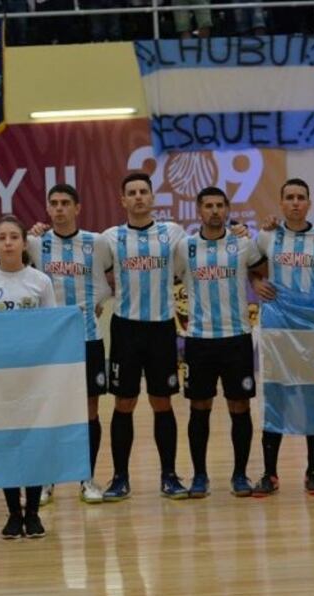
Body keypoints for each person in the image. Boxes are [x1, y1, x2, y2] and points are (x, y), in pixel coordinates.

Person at [174, 187, 267, 498]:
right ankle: (200, 476)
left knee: (239, 407)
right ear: (198, 211)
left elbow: (262, 271)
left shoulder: (242, 243)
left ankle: (240, 475)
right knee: (199, 408)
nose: (214, 211)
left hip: (237, 337)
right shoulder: (184, 248)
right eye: (208, 206)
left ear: (227, 209)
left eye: (219, 206)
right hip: (199, 340)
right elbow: (166, 278)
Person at [101, 173, 188, 501]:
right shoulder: (110, 238)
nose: (138, 197)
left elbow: (189, 264)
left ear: (153, 198)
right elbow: (92, 270)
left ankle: (169, 475)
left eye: (143, 192)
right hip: (125, 328)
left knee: (162, 402)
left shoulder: (172, 233)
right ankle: (119, 478)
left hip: (161, 327)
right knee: (124, 403)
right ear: (122, 200)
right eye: (131, 193)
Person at [0, 216, 56, 539]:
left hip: (33, 375)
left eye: (13, 237)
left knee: (34, 443)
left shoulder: (41, 282)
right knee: (7, 444)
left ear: (23, 242)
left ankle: (33, 512)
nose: (7, 242)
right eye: (1, 237)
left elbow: (52, 329)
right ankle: (12, 512)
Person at [27, 184, 113, 504]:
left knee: (89, 410)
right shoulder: (35, 244)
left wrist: (98, 302)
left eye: (66, 203)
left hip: (88, 337)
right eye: (54, 203)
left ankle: (86, 478)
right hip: (51, 344)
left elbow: (111, 280)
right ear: (47, 209)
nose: (59, 208)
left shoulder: (96, 243)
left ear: (78, 208)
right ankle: (48, 480)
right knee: (51, 411)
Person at [252, 179, 314, 495]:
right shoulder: (267, 236)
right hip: (277, 327)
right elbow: (252, 268)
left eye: (301, 197)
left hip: (313, 328)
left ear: (309, 203)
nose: (296, 202)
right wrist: (256, 282)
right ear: (281, 203)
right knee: (277, 397)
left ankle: (313, 471)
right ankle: (270, 474)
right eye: (290, 198)